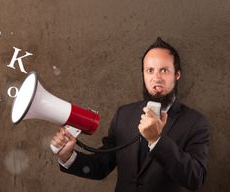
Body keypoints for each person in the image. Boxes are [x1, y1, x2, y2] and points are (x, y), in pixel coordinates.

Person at [51, 37, 209, 192]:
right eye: (150, 70)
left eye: (164, 70)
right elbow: (101, 166)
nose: (156, 78)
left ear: (177, 74)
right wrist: (67, 156)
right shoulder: (124, 115)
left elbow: (195, 179)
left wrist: (157, 140)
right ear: (143, 74)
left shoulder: (195, 122)